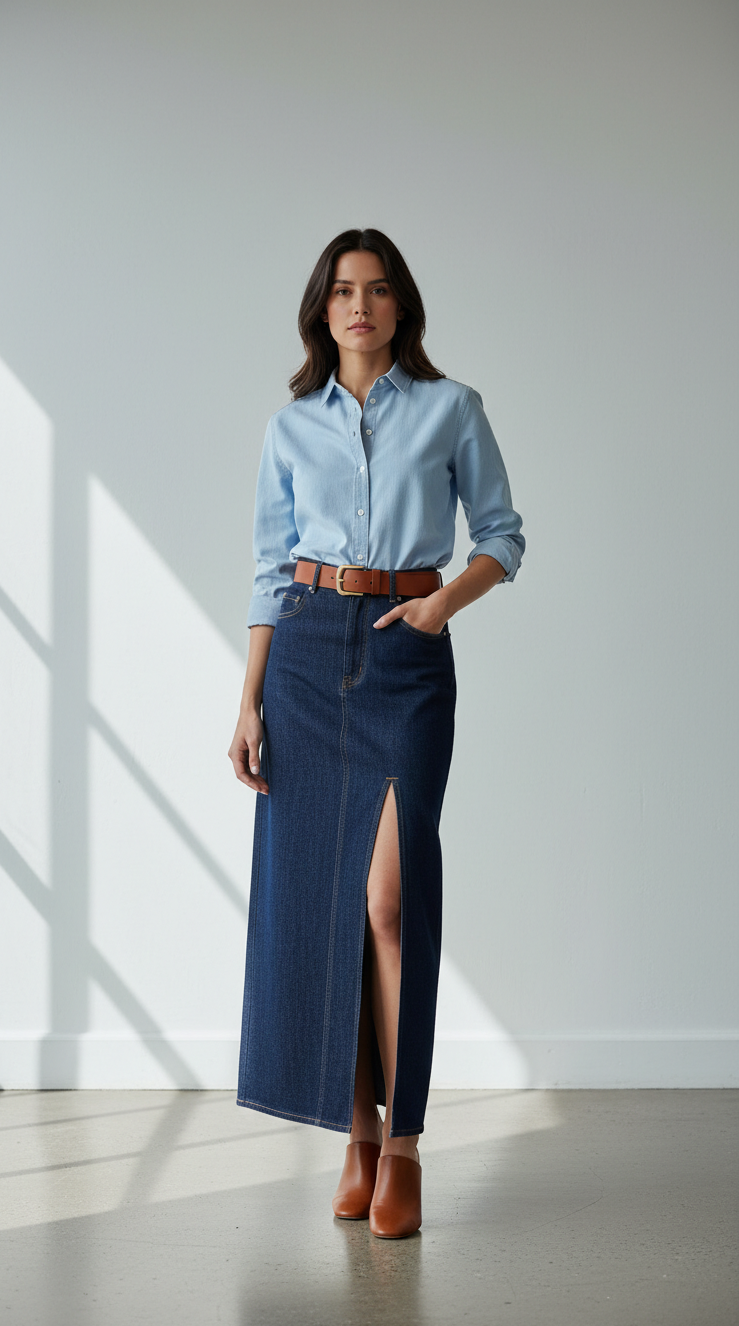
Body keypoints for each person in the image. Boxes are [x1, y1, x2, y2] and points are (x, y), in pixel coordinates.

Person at [229, 228, 525, 1238]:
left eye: (379, 289)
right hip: (306, 658)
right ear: (323, 308)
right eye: (344, 290)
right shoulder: (289, 427)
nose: (361, 306)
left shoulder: (452, 408)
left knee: (391, 902)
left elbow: (503, 536)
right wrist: (248, 701)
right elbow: (270, 570)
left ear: (403, 306)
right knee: (327, 908)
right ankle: (355, 1135)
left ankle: (403, 1147)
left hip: (406, 653)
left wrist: (443, 605)